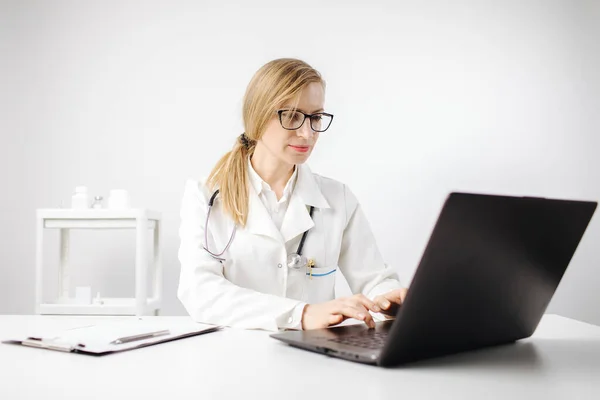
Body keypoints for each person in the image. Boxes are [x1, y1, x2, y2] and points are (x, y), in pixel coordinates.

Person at [177, 58, 407, 332]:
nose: (307, 132)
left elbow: (372, 278)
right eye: (292, 116)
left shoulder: (337, 198)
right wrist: (302, 314)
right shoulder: (206, 195)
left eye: (316, 117)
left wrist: (388, 298)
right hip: (234, 355)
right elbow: (200, 291)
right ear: (258, 116)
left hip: (314, 358)